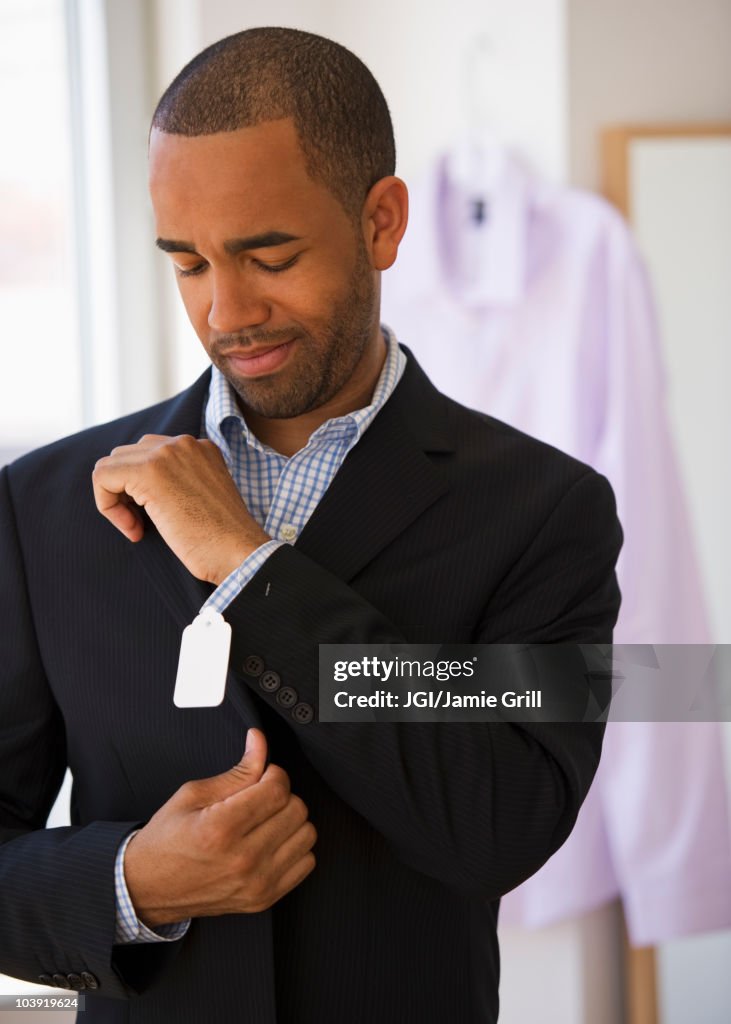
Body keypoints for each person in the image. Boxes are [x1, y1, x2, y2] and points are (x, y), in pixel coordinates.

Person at [0, 27, 622, 1024]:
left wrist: (250, 571)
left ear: (380, 223)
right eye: (187, 262)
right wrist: (129, 883)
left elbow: (502, 821)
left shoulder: (541, 511)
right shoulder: (45, 506)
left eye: (267, 254)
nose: (225, 308)